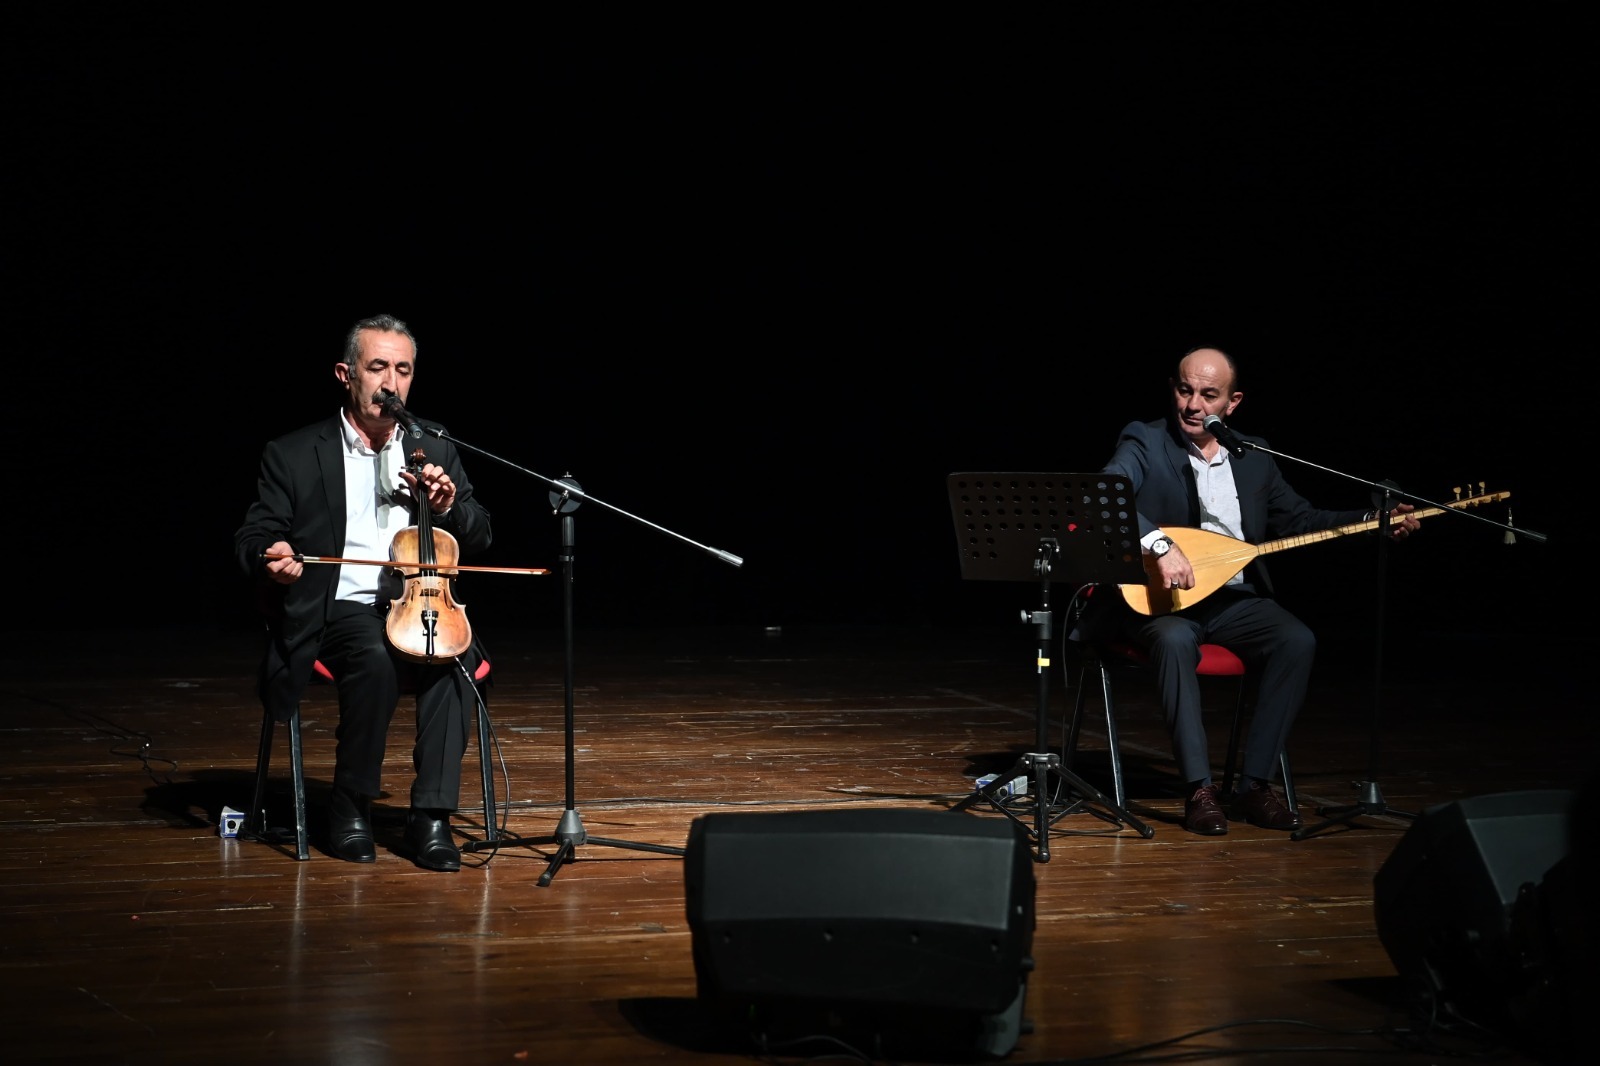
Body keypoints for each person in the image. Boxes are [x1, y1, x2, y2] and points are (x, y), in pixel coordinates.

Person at [1080, 346, 1417, 836]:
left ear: (1232, 403)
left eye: (1208, 395)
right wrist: (1159, 543)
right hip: (1161, 602)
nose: (1193, 405)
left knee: (1296, 640)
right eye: (1184, 390)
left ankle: (1253, 785)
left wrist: (1372, 520)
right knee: (1175, 641)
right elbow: (1105, 491)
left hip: (1233, 600)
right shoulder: (1145, 440)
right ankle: (1199, 790)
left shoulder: (1254, 457)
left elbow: (1301, 519)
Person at [235, 313, 492, 870]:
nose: (390, 383)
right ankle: (350, 807)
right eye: (377, 367)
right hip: (337, 609)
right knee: (372, 654)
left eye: (403, 370)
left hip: (420, 606)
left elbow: (481, 529)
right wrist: (270, 559)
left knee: (455, 659)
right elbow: (255, 536)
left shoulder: (433, 445)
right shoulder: (296, 453)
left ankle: (431, 817)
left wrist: (448, 507)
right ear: (345, 374)